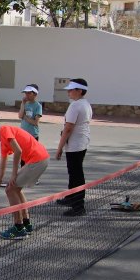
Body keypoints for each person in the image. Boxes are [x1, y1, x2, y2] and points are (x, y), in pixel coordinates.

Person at [0, 119, 49, 239]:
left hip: (37, 160)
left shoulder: (5, 130)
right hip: (40, 159)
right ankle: (26, 224)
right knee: (15, 189)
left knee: (10, 189)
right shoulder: (3, 144)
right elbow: (1, 170)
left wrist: (14, 174)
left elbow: (18, 151)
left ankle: (18, 227)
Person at [55, 78, 92, 217]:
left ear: (79, 91)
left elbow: (68, 128)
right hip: (81, 142)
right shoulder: (85, 104)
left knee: (76, 175)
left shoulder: (75, 106)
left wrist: (59, 147)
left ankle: (78, 206)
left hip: (75, 144)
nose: (68, 92)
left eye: (71, 90)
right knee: (74, 172)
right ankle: (71, 197)